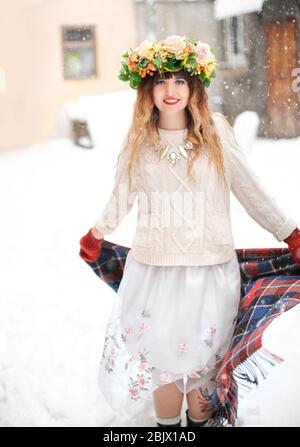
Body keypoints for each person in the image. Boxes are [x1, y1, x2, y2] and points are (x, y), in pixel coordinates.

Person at [79, 35, 300, 427]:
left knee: (204, 377)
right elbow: (121, 197)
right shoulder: (139, 142)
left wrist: (289, 233)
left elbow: (251, 190)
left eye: (180, 80)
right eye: (161, 81)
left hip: (211, 274)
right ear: (147, 87)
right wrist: (98, 233)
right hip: (153, 275)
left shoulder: (215, 134)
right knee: (162, 369)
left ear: (193, 86)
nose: (170, 90)